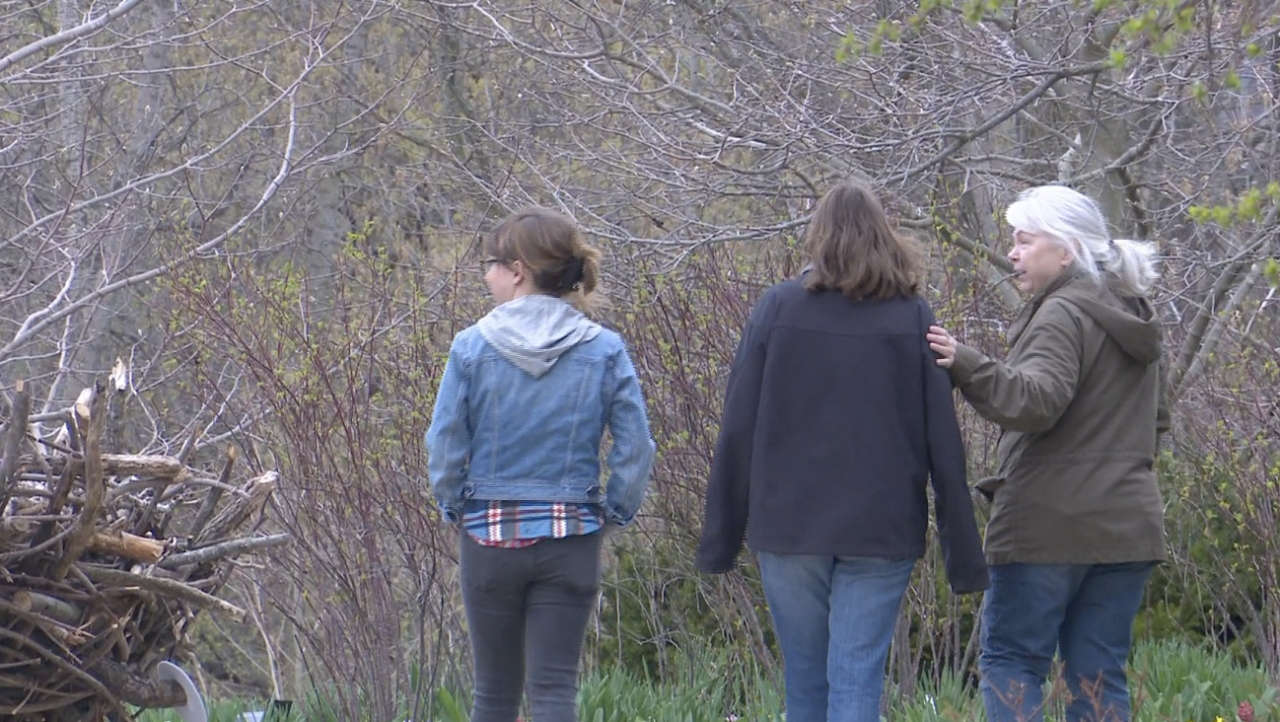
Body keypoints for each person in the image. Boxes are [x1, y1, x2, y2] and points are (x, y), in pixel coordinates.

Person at [696, 181, 989, 722]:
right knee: (856, 680)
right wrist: (963, 552)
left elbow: (738, 424)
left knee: (806, 680)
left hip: (789, 525)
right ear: (884, 235)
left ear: (818, 236)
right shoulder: (911, 315)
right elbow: (943, 438)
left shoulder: (778, 308)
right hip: (882, 527)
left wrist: (721, 537)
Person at [926, 184, 1167, 722]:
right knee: (1099, 676)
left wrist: (963, 362)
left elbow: (1035, 401)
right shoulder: (1137, 319)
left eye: (1023, 240)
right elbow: (1159, 422)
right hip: (1127, 525)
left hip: (1045, 526)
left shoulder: (1063, 312)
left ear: (1066, 250)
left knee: (1012, 660)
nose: (1011, 252)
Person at [426, 207, 657, 722]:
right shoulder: (604, 349)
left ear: (518, 270)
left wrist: (453, 506)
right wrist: (614, 514)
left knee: (493, 696)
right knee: (555, 692)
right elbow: (636, 446)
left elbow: (444, 443)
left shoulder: (471, 347)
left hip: (488, 537)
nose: (485, 274)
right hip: (571, 536)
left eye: (490, 262)